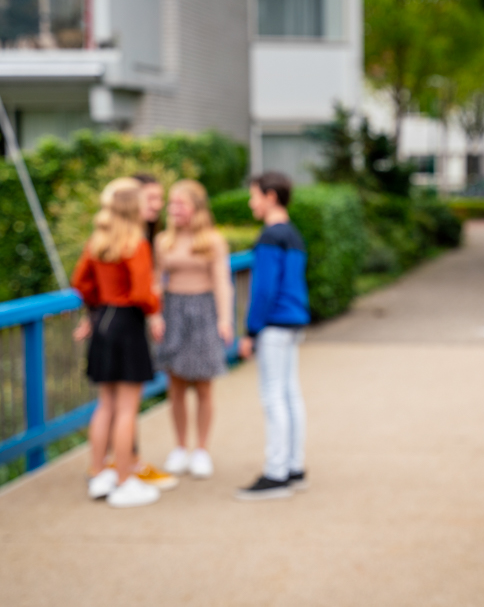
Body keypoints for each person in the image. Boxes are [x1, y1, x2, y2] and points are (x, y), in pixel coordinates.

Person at [72, 177, 165, 508]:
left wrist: (96, 304)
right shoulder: (136, 244)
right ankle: (125, 480)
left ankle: (99, 473)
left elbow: (80, 281)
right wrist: (156, 305)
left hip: (102, 321)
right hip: (127, 325)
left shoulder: (97, 242)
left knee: (105, 405)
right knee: (127, 409)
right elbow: (141, 293)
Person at [150, 180, 233, 478]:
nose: (174, 209)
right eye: (171, 203)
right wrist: (155, 316)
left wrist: (225, 320)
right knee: (175, 385)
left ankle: (201, 449)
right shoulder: (163, 241)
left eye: (180, 203)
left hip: (203, 311)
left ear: (196, 207)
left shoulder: (212, 241)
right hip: (173, 311)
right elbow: (156, 281)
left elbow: (222, 281)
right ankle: (180, 447)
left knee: (203, 385)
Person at [236, 172, 310, 501]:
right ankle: (293, 466)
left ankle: (276, 473)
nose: (250, 202)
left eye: (254, 196)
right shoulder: (293, 234)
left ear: (270, 197)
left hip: (274, 324)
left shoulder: (270, 237)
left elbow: (263, 289)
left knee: (273, 396)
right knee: (290, 394)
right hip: (293, 321)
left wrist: (250, 331)